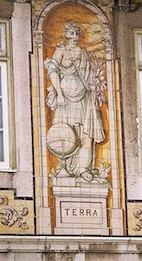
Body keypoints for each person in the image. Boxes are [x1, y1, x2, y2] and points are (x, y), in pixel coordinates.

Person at [45, 20, 106, 182]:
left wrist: (93, 90)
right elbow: (52, 71)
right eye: (71, 33)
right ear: (65, 34)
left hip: (83, 97)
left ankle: (84, 169)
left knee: (86, 134)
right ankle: (64, 168)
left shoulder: (83, 53)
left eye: (77, 33)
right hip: (65, 97)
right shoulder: (60, 51)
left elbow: (90, 75)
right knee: (64, 131)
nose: (75, 36)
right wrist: (59, 94)